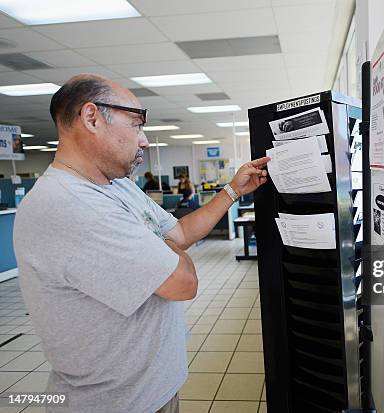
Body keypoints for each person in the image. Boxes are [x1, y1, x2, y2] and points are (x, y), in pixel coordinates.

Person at [13, 74, 269, 413]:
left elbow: (178, 233)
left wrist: (233, 191)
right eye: (136, 124)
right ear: (91, 118)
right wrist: (164, 249)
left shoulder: (116, 186)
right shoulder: (70, 204)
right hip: (117, 403)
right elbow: (183, 282)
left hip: (151, 389)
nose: (144, 140)